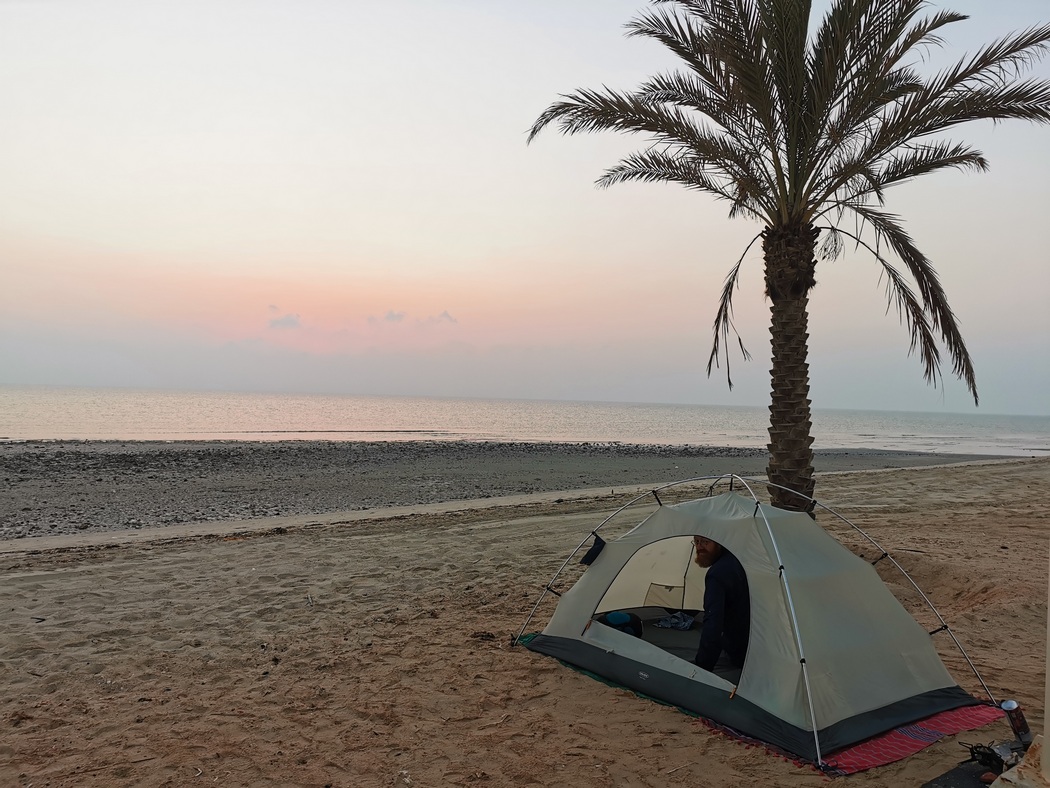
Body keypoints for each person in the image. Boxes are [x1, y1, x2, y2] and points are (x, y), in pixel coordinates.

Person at [692, 535, 750, 681]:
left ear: (719, 543)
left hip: (743, 652)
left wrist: (702, 668)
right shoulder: (740, 559)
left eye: (705, 541)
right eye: (696, 541)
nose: (699, 547)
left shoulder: (717, 574)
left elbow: (713, 623)